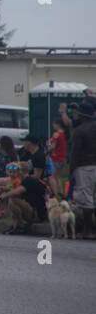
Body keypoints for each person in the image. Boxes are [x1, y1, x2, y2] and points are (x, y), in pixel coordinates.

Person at [66, 102, 96, 239]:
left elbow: (75, 153)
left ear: (82, 115)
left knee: (85, 198)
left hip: (84, 166)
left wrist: (71, 170)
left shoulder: (80, 130)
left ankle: (88, 230)